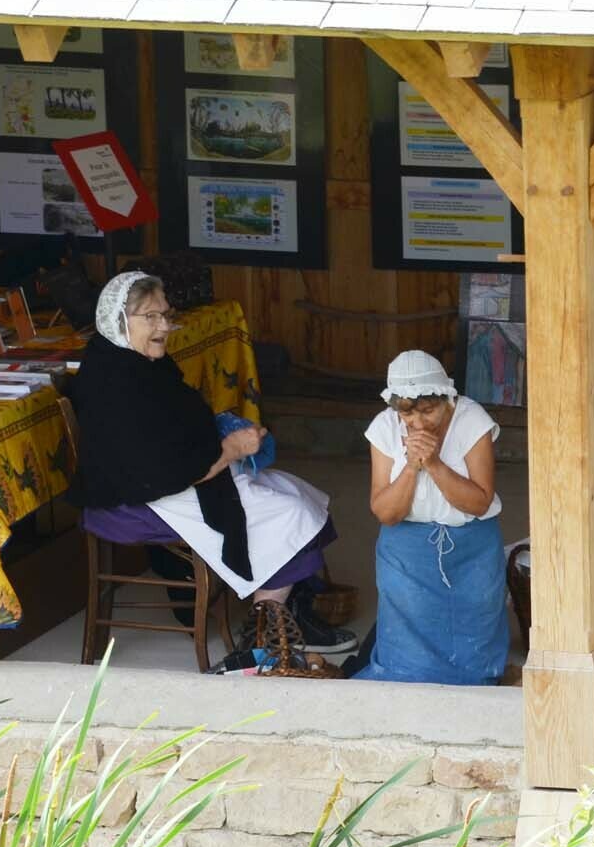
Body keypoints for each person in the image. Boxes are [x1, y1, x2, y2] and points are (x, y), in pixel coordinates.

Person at [68, 271, 353, 657]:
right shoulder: (117, 383)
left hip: (171, 480)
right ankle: (262, 643)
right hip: (136, 501)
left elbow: (177, 431)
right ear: (117, 321)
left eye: (166, 315)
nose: (164, 327)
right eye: (150, 317)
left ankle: (291, 617)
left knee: (298, 493)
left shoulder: (140, 363)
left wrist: (224, 432)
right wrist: (232, 448)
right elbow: (162, 472)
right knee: (291, 515)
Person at [349, 351, 508, 685]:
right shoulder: (383, 428)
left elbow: (479, 502)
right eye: (407, 414)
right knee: (407, 656)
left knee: (472, 643)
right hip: (406, 553)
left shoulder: (472, 420)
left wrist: (434, 463)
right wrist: (411, 466)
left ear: (446, 398)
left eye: (428, 410)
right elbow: (385, 512)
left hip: (471, 551)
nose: (419, 423)